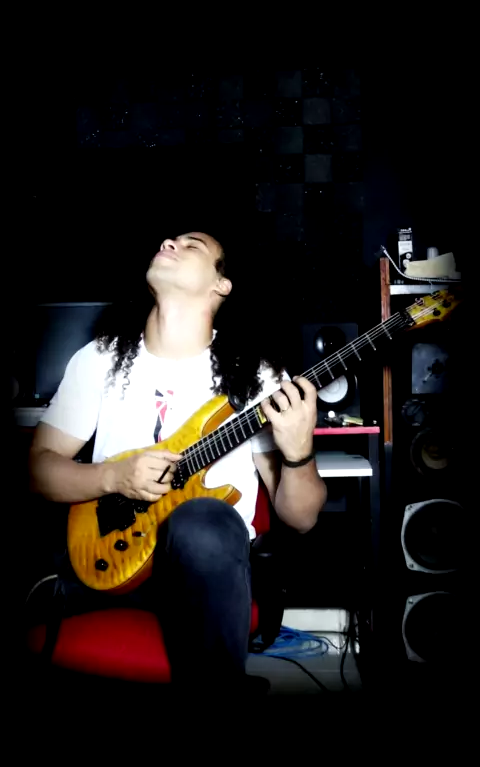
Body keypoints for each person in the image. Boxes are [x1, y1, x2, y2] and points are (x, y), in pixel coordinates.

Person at [26, 228, 327, 699]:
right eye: (169, 240)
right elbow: (37, 471)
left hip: (203, 573)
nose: (170, 243)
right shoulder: (100, 359)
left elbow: (302, 518)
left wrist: (298, 453)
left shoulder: (257, 374)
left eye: (192, 245)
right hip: (103, 559)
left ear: (221, 285)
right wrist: (112, 476)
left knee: (204, 519)